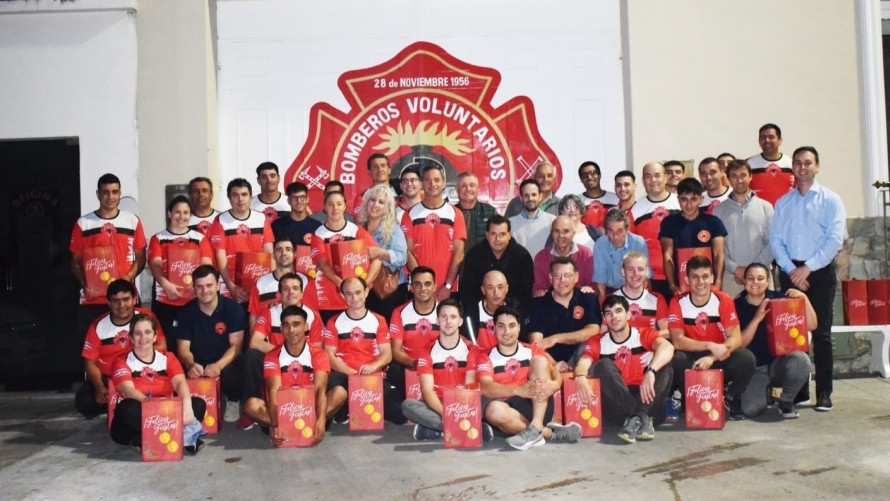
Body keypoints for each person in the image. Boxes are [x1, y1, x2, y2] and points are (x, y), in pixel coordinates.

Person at [769, 146, 845, 412]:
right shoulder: (783, 203)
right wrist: (792, 270)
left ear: (817, 166)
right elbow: (775, 241)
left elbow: (834, 239)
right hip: (790, 271)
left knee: (822, 334)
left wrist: (808, 268)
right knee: (793, 336)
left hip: (820, 272)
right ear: (793, 168)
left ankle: (824, 392)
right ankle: (798, 392)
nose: (802, 168)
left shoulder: (830, 200)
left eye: (808, 163)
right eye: (798, 163)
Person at [476, 305, 582, 450]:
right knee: (492, 410)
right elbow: (485, 387)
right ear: (494, 329)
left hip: (537, 402)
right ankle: (547, 433)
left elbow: (554, 370)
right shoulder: (485, 357)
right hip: (510, 411)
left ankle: (537, 424)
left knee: (539, 360)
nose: (507, 331)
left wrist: (555, 385)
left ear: (519, 327)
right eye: (501, 326)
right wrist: (518, 390)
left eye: (512, 326)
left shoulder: (531, 349)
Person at [573, 295, 674, 443]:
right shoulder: (598, 341)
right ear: (604, 319)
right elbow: (582, 363)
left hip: (648, 400)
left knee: (665, 365)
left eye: (618, 311)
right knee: (603, 365)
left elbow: (667, 347)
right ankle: (641, 417)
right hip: (618, 410)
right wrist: (580, 377)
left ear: (628, 314)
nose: (614, 317)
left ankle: (637, 417)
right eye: (609, 313)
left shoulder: (643, 334)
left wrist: (650, 371)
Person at [667, 256, 755, 420]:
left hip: (718, 356)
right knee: (676, 358)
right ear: (687, 279)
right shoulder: (677, 302)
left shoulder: (723, 299)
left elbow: (735, 338)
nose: (700, 282)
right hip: (694, 357)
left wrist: (712, 357)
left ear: (713, 278)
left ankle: (729, 398)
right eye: (695, 277)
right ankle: (691, 397)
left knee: (746, 358)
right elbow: (677, 340)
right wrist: (710, 345)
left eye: (705, 276)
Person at [109, 314, 206, 454]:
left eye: (148, 332)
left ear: (155, 337)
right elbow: (127, 390)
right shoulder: (121, 361)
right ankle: (183, 437)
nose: (143, 337)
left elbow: (180, 383)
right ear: (131, 338)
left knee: (198, 404)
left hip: (168, 409)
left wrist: (187, 405)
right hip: (140, 411)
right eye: (138, 333)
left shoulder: (168, 358)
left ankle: (147, 439)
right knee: (127, 409)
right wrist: (155, 408)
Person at [70, 173, 147, 341]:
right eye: (105, 192)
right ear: (98, 194)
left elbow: (141, 257)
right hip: (93, 301)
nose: (110, 197)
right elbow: (75, 262)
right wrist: (85, 284)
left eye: (114, 192)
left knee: (130, 347)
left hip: (125, 299)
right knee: (93, 352)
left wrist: (128, 278)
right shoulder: (84, 223)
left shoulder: (132, 221)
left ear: (120, 194)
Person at [243, 273, 324, 430]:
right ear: (279, 294)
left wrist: (296, 356)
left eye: (295, 288)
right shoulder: (268, 313)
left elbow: (318, 350)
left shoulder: (313, 316)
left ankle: (308, 413)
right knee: (251, 356)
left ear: (302, 293)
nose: (291, 292)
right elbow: (255, 342)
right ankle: (259, 409)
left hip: (303, 363)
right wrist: (284, 353)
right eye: (285, 289)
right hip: (274, 362)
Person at [75, 280, 166, 419]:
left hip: (140, 375)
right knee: (84, 400)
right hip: (109, 379)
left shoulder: (146, 318)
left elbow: (161, 346)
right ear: (108, 303)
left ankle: (124, 405)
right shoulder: (98, 325)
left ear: (134, 299)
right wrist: (100, 387)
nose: (122, 305)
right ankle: (119, 404)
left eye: (126, 299)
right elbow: (90, 362)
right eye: (116, 301)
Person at [736, 263, 815, 419]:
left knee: (801, 359)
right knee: (751, 409)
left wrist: (803, 298)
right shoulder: (736, 305)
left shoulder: (780, 299)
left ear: (767, 281)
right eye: (750, 278)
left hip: (778, 364)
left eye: (760, 279)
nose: (755, 283)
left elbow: (812, 325)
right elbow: (740, 344)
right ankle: (766, 392)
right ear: (744, 281)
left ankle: (786, 401)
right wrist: (757, 318)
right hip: (755, 368)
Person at [401, 298, 485, 441]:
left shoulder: (471, 349)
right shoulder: (427, 351)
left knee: (489, 401)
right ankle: (473, 428)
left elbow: (470, 387)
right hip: (438, 403)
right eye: (443, 317)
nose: (448, 321)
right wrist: (445, 413)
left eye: (453, 317)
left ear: (460, 321)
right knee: (408, 406)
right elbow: (427, 391)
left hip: (463, 402)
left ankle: (435, 431)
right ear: (437, 321)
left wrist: (459, 409)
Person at [323, 277, 403, 424]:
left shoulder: (379, 320)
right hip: (345, 376)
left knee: (399, 415)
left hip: (372, 377)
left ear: (366, 292)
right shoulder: (333, 322)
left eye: (358, 292)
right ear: (343, 296)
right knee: (332, 382)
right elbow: (329, 356)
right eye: (349, 294)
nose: (354, 298)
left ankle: (351, 408)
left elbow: (387, 354)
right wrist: (353, 375)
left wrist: (372, 367)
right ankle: (343, 410)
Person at [175, 265, 246, 423]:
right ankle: (198, 397)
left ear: (218, 285)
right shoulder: (186, 312)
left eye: (209, 285)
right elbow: (183, 349)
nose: (204, 290)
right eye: (199, 286)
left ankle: (233, 399)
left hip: (225, 362)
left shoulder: (233, 309)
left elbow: (236, 346)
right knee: (176, 367)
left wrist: (218, 366)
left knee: (235, 370)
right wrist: (190, 364)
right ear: (193, 288)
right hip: (199, 362)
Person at [148, 195, 214, 351]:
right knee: (168, 345)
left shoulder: (200, 239)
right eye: (178, 212)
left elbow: (206, 265)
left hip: (192, 302)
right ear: (169, 214)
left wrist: (197, 287)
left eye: (186, 213)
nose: (182, 217)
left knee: (194, 345)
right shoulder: (158, 238)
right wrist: (165, 284)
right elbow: (155, 264)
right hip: (165, 301)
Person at [261, 305, 331, 445]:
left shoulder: (319, 355)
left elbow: (319, 391)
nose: (291, 330)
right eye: (286, 325)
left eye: (296, 324)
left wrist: (321, 420)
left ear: (306, 326)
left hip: (310, 409)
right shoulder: (272, 356)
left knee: (339, 393)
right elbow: (274, 391)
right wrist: (276, 425)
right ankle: (282, 430)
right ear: (281, 328)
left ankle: (314, 424)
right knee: (251, 405)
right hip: (283, 411)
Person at [311, 190, 382, 321]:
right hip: (329, 300)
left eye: (339, 204)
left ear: (345, 206)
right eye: (330, 204)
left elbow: (377, 259)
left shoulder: (356, 231)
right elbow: (323, 263)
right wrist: (342, 285)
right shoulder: (318, 234)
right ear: (325, 207)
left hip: (357, 301)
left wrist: (363, 285)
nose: (335, 208)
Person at [402, 164, 467, 300]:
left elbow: (459, 252)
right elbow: (407, 252)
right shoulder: (410, 214)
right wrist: (422, 286)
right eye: (427, 180)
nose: (432, 184)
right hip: (419, 290)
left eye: (437, 180)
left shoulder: (455, 213)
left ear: (443, 183)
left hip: (448, 288)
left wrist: (447, 285)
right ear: (421, 184)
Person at [712, 159, 774, 298]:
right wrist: (735, 269)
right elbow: (718, 249)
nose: (739, 180)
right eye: (733, 176)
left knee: (766, 318)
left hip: (761, 278)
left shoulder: (766, 207)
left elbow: (773, 243)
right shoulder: (718, 210)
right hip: (731, 279)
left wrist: (753, 272)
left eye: (743, 175)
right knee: (734, 319)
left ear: (751, 176)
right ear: (727, 179)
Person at [528, 256, 601, 371]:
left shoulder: (588, 298)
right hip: (551, 362)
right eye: (557, 276)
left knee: (587, 346)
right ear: (550, 277)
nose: (562, 280)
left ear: (576, 277)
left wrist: (556, 338)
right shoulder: (539, 303)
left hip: (582, 360)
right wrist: (554, 364)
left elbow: (593, 330)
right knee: (537, 360)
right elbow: (535, 342)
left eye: (567, 275)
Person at [208, 178, 275, 303]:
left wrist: (270, 283)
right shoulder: (220, 220)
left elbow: (270, 254)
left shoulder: (261, 218)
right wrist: (231, 286)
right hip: (230, 287)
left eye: (244, 194)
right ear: (229, 198)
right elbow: (220, 257)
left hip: (258, 284)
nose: (240, 199)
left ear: (250, 197)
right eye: (235, 195)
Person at [659, 177, 727, 296]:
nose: (689, 204)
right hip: (680, 286)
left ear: (701, 199)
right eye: (684, 199)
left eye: (693, 199)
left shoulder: (713, 222)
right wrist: (672, 285)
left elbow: (718, 254)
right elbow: (667, 255)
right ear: (678, 199)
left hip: (707, 286)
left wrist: (718, 282)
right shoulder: (668, 223)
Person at [459, 215, 533, 314]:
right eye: (493, 234)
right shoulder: (474, 256)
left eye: (502, 234)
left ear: (509, 235)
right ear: (487, 235)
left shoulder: (522, 256)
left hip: (513, 312)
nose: (498, 239)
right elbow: (467, 291)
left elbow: (525, 293)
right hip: (480, 312)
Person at [629, 162, 680, 302]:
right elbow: (632, 249)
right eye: (648, 176)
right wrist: (643, 275)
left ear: (665, 178)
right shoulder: (635, 210)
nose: (653, 180)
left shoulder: (680, 202)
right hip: (651, 280)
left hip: (681, 277)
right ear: (643, 181)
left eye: (657, 175)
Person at [357, 184, 409, 320]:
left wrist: (381, 253)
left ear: (387, 208)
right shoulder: (357, 229)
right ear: (366, 203)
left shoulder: (394, 229)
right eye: (372, 200)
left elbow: (402, 258)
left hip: (390, 289)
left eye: (381, 202)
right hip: (365, 286)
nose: (375, 205)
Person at [389, 267, 440, 402]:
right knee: (393, 371)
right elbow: (395, 350)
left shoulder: (444, 312)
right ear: (411, 287)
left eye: (428, 284)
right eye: (418, 284)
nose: (423, 288)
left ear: (435, 286)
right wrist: (414, 363)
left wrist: (429, 365)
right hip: (410, 366)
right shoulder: (399, 312)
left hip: (436, 366)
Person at [247, 238, 308, 332]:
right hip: (268, 341)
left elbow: (312, 314)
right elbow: (254, 317)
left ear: (295, 254)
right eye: (279, 250)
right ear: (274, 255)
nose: (284, 253)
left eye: (288, 249)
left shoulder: (305, 281)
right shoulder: (261, 282)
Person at [463, 270, 525, 353]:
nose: (496, 293)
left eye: (500, 287)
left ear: (507, 289)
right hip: (478, 359)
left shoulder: (517, 309)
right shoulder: (470, 311)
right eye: (490, 287)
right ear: (483, 290)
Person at [610, 252, 669, 338]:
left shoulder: (657, 298)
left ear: (647, 271)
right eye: (630, 269)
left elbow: (667, 331)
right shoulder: (611, 299)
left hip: (650, 347)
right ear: (623, 271)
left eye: (640, 269)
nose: (636, 274)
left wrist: (643, 337)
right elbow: (603, 332)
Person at [532, 216, 594, 297]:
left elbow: (592, 285)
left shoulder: (586, 254)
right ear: (551, 234)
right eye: (556, 231)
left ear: (573, 233)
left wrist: (589, 288)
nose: (561, 235)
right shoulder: (541, 257)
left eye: (566, 231)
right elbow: (539, 287)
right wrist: (538, 292)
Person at [593, 209, 649, 298]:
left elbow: (645, 278)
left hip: (634, 288)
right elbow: (601, 281)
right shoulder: (600, 244)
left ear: (627, 229)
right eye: (611, 231)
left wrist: (640, 299)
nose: (615, 236)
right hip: (610, 290)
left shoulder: (639, 242)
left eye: (619, 231)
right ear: (606, 230)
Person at [747, 123, 795, 206]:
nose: (767, 140)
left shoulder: (792, 164)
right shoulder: (749, 164)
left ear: (780, 140)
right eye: (763, 137)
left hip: (786, 214)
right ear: (759, 141)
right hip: (759, 215)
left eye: (771, 137)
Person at [508, 179, 556, 258]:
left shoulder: (552, 221)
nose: (530, 199)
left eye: (534, 195)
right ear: (521, 198)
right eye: (526, 195)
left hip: (545, 269)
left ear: (540, 197)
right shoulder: (510, 223)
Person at [454, 172, 498, 251]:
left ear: (478, 189)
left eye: (472, 185)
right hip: (457, 262)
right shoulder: (450, 213)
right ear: (457, 189)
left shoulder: (491, 212)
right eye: (463, 186)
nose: (468, 189)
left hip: (483, 262)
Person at [271, 181, 322, 250]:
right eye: (294, 198)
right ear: (289, 201)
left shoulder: (317, 226)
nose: (299, 201)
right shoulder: (277, 225)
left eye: (302, 197)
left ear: (307, 199)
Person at [353, 153, 399, 219]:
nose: (380, 169)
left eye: (383, 165)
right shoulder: (362, 197)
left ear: (389, 170)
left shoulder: (401, 193)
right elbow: (359, 221)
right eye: (375, 166)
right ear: (369, 172)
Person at [577, 161, 618, 231]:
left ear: (599, 175)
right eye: (584, 175)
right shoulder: (577, 201)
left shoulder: (615, 199)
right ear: (581, 180)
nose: (589, 177)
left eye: (593, 173)